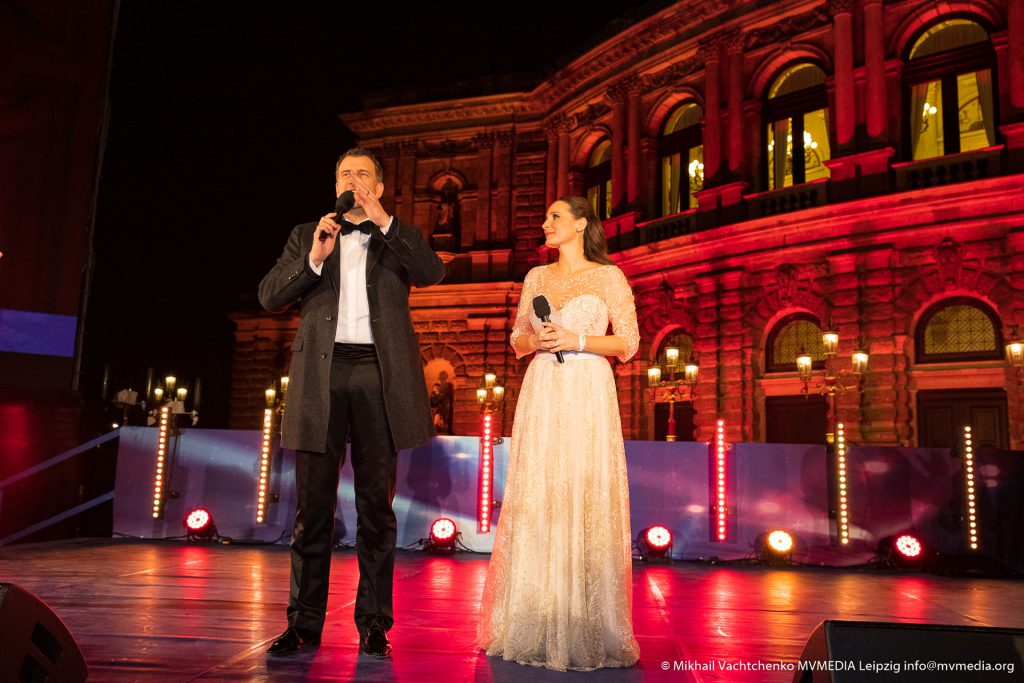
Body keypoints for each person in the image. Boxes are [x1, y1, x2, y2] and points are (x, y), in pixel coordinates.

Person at [259, 148, 445, 657]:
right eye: (345, 173)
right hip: (321, 373)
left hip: (378, 374)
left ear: (379, 188)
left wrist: (386, 223)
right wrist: (315, 258)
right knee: (312, 509)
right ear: (335, 184)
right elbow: (270, 296)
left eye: (363, 174)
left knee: (375, 509)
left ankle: (374, 623)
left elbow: (431, 272)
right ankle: (302, 623)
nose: (353, 180)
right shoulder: (308, 233)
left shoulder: (397, 235)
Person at [477, 196, 641, 671]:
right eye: (546, 216)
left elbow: (629, 342)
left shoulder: (608, 276)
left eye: (555, 217)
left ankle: (587, 620)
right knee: (539, 492)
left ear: (581, 224)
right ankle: (532, 614)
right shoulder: (536, 277)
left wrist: (578, 340)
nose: (545, 223)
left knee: (583, 490)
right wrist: (536, 340)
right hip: (543, 387)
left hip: (588, 388)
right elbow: (516, 339)